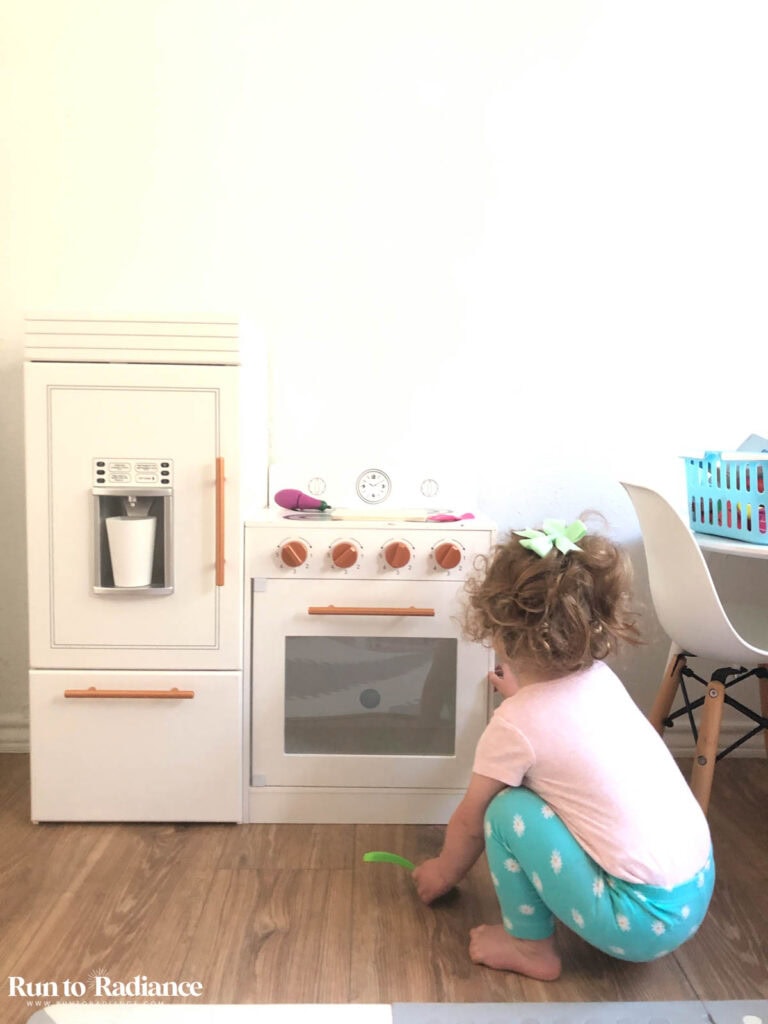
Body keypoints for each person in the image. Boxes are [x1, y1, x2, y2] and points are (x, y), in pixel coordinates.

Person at [412, 516, 714, 981]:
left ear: (498, 630)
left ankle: (530, 949)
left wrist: (443, 872)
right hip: (694, 889)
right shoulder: (600, 681)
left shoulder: (515, 725)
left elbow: (470, 821)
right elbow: (562, 727)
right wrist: (523, 700)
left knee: (505, 811)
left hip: (640, 922)